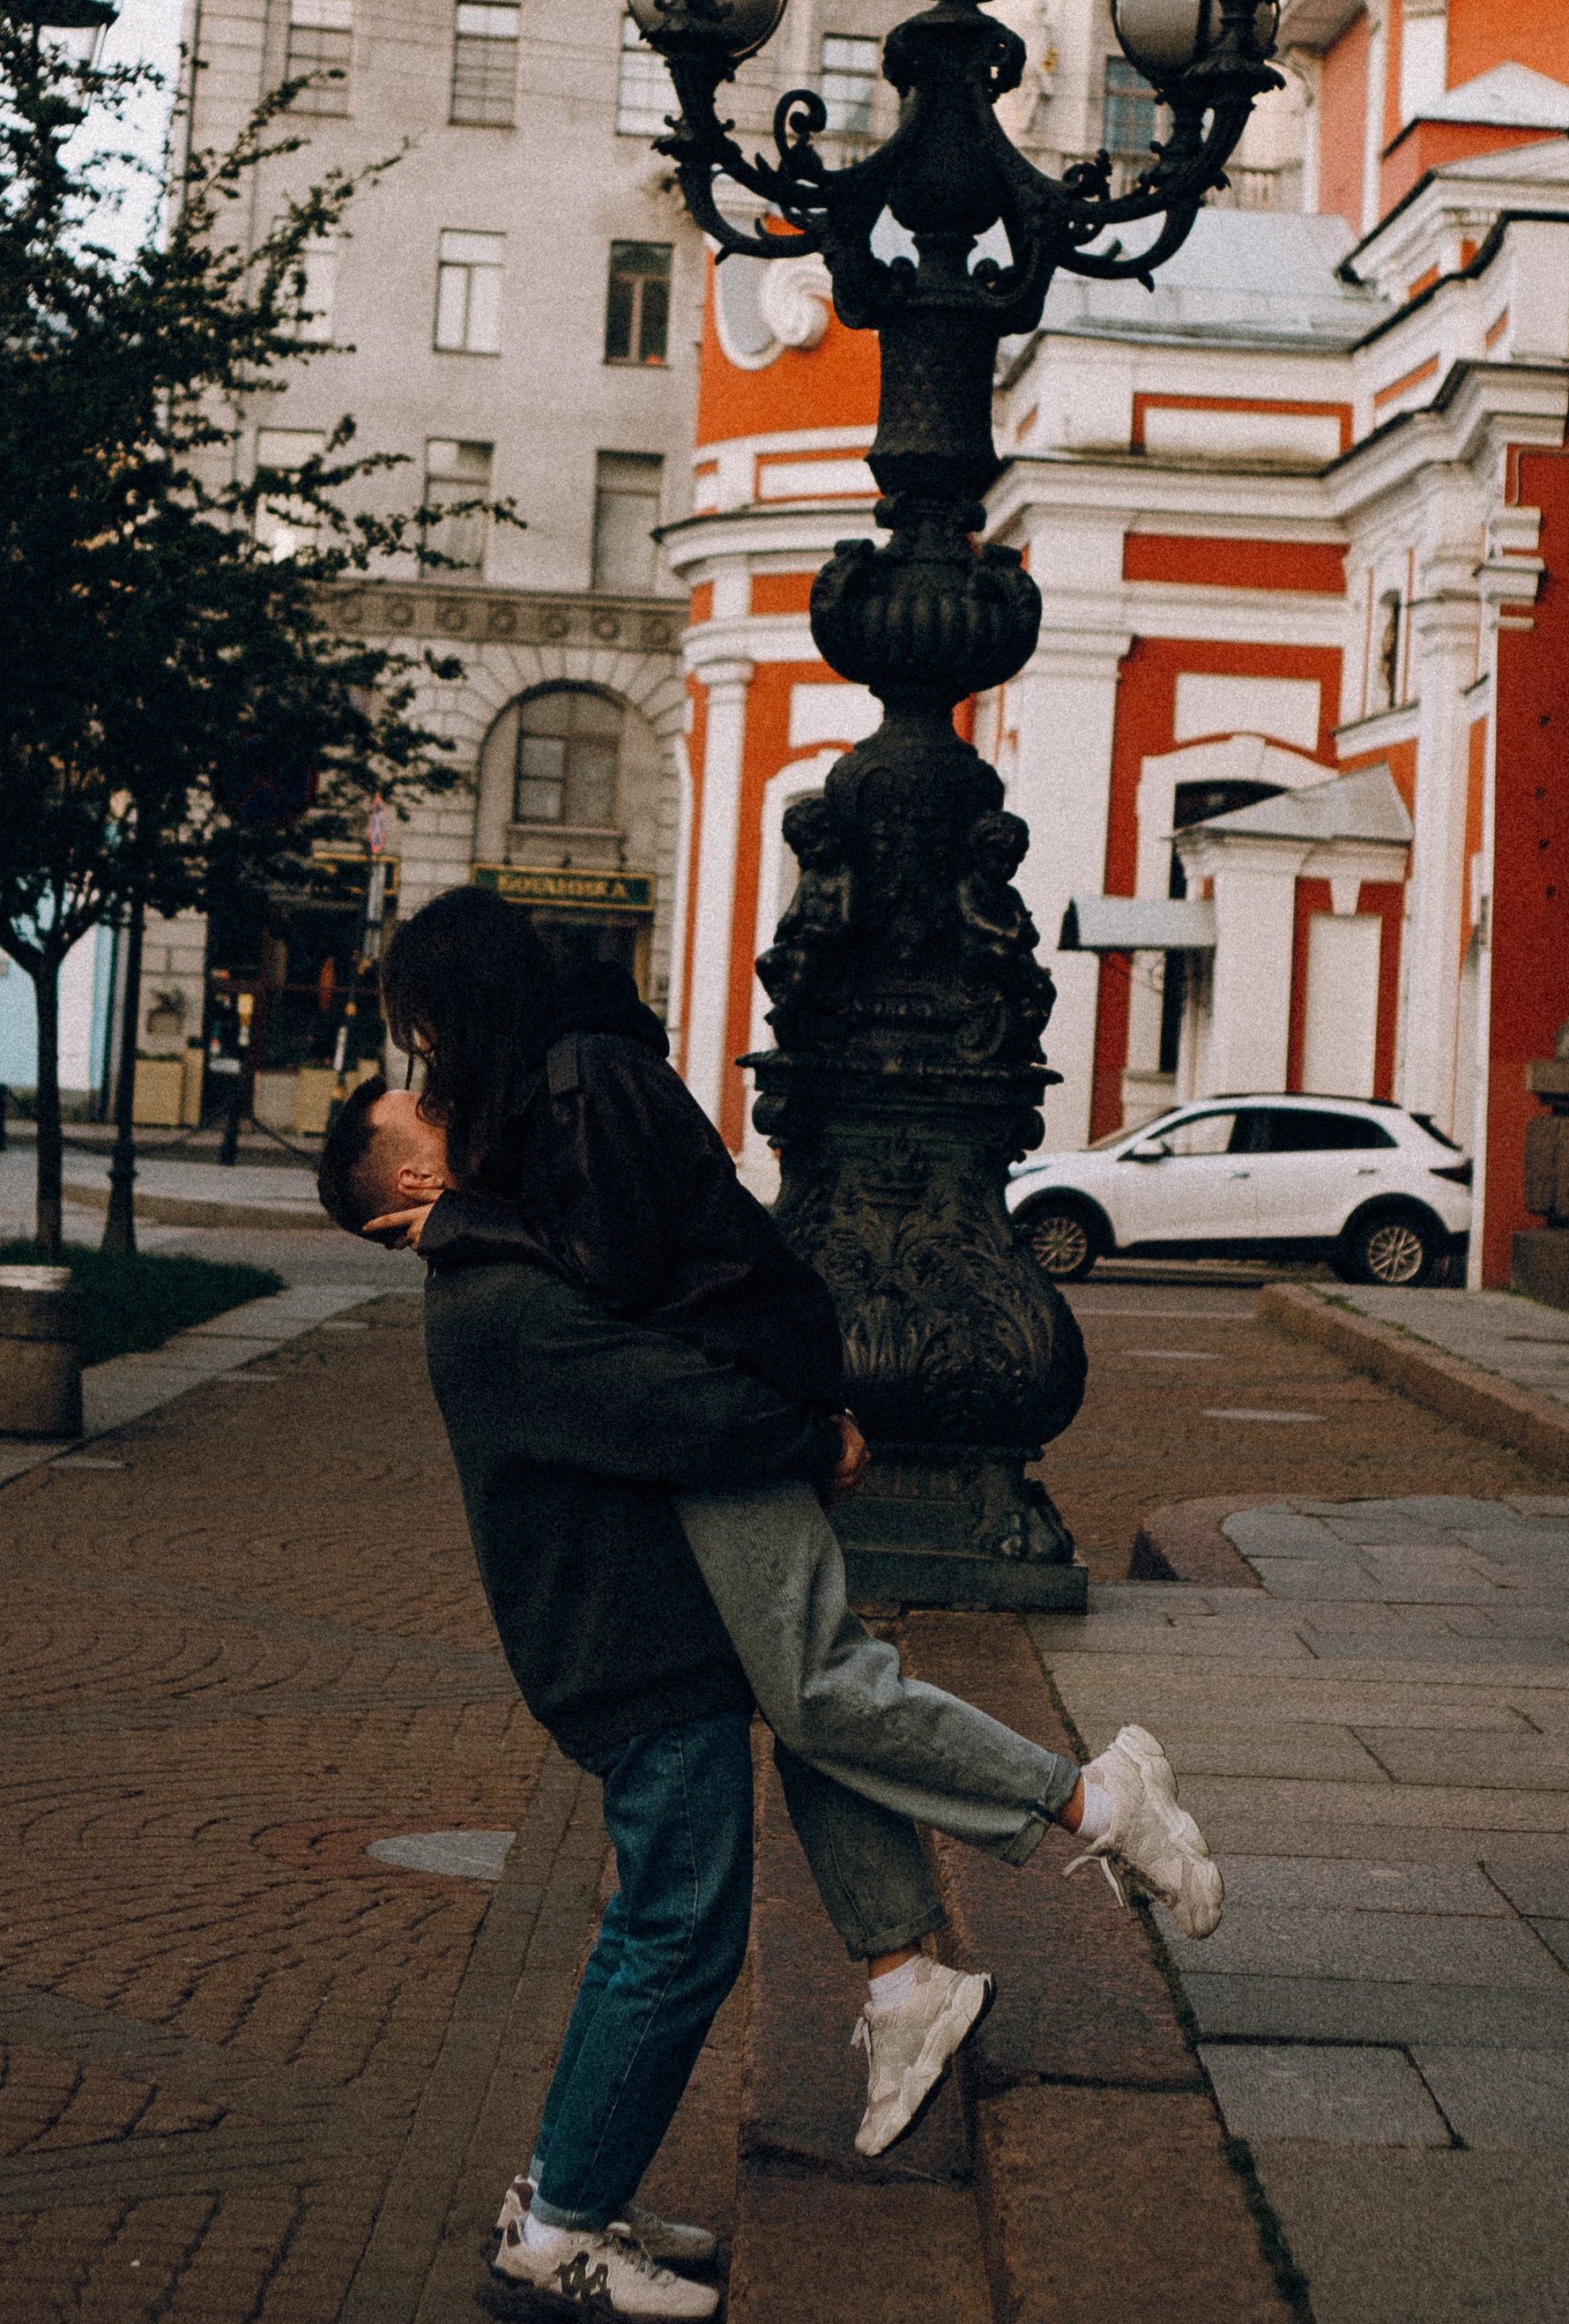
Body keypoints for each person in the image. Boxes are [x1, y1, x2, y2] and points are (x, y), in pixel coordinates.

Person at [319, 893, 1223, 2312]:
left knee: (811, 1699)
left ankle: (1076, 1815)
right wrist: (802, 1418)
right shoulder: (506, 1234)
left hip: (732, 1443)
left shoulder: (569, 1101)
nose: (428, 1070)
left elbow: (649, 1303)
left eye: (425, 1041)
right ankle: (906, 1963)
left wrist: (803, 1417)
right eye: (413, 1078)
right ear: (410, 1198)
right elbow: (636, 1331)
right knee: (791, 1737)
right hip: (674, 1560)